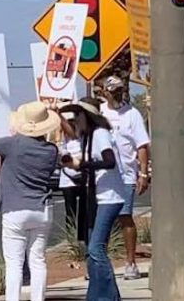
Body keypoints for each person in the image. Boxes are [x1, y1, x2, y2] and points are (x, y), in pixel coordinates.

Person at [0, 102, 60, 301]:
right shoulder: (51, 151)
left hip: (15, 209)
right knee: (38, 261)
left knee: (14, 262)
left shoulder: (14, 144)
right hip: (42, 209)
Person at [61, 98, 126, 301]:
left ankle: (109, 297)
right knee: (91, 250)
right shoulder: (88, 138)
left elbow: (109, 161)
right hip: (97, 197)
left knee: (96, 248)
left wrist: (86, 165)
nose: (74, 120)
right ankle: (96, 295)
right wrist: (76, 166)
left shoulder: (100, 134)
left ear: (86, 116)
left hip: (110, 197)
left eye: (77, 115)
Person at [99, 76, 150, 280]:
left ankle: (130, 263)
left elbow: (142, 145)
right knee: (102, 220)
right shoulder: (100, 113)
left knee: (124, 216)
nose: (118, 94)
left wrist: (143, 173)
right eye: (114, 91)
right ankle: (100, 264)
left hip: (126, 175)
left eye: (120, 90)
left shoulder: (132, 114)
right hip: (103, 175)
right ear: (105, 93)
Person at [59, 115, 88, 243]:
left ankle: (82, 237)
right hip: (67, 177)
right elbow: (62, 156)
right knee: (70, 210)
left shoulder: (83, 139)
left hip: (82, 176)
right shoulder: (62, 140)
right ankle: (71, 238)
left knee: (83, 209)